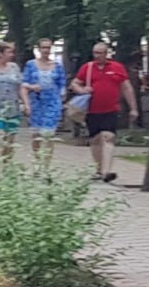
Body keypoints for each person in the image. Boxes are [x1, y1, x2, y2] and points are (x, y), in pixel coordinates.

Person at [71, 42, 139, 183]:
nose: (97, 56)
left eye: (100, 53)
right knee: (95, 140)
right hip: (92, 110)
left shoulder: (117, 68)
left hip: (111, 109)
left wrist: (133, 108)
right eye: (95, 53)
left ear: (106, 53)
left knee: (108, 137)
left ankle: (106, 172)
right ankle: (99, 169)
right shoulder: (88, 68)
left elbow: (126, 88)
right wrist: (82, 90)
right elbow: (75, 83)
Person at [22, 38, 66, 160]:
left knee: (48, 134)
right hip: (36, 103)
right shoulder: (30, 65)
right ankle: (37, 162)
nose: (46, 50)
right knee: (36, 135)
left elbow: (62, 87)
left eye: (48, 47)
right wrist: (31, 88)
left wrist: (61, 102)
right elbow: (23, 84)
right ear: (39, 49)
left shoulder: (57, 66)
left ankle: (46, 164)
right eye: (43, 47)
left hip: (52, 103)